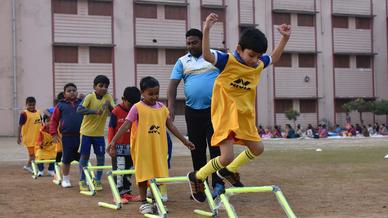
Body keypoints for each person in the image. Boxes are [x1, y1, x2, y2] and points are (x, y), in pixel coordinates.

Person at [187, 13, 291, 202]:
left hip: (244, 116)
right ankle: (198, 177)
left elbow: (274, 58)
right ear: (239, 49)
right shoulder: (228, 61)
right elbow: (208, 55)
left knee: (258, 148)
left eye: (258, 56)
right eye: (251, 55)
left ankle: (228, 171)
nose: (254, 59)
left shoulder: (257, 65)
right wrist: (207, 29)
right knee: (226, 156)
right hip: (225, 114)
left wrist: (284, 38)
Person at [109, 76, 195, 215]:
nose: (154, 96)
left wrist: (184, 141)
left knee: (158, 177)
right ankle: (144, 203)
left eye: (157, 93)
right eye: (151, 94)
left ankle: (156, 203)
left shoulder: (162, 108)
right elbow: (126, 125)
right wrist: (113, 142)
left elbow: (170, 126)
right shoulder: (137, 108)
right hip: (142, 149)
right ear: (142, 93)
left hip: (159, 149)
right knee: (143, 177)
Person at [167, 28, 225, 197]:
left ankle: (219, 184)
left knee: (216, 149)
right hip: (192, 113)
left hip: (215, 111)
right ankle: (200, 186)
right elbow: (172, 85)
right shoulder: (182, 61)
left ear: (203, 41)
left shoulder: (216, 56)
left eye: (194, 43)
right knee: (196, 149)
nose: (191, 46)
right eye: (188, 43)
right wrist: (171, 106)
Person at [77, 75, 115, 191]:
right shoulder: (89, 97)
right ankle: (82, 180)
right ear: (95, 86)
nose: (103, 88)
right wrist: (94, 112)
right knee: (85, 156)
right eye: (101, 86)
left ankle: (97, 180)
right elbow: (79, 110)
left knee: (101, 157)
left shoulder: (108, 97)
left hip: (99, 134)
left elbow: (115, 112)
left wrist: (109, 107)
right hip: (86, 133)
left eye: (106, 87)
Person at [107, 86, 141, 203]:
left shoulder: (137, 110)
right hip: (118, 148)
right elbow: (111, 129)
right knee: (119, 172)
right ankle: (117, 195)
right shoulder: (116, 111)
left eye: (135, 104)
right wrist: (112, 146)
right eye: (130, 103)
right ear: (123, 99)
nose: (132, 107)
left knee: (128, 171)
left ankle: (127, 193)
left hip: (132, 148)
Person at [50, 83, 83, 188]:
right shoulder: (60, 105)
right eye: (69, 91)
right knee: (67, 158)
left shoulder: (82, 103)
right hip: (67, 136)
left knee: (82, 157)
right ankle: (65, 179)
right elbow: (54, 120)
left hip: (81, 136)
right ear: (64, 94)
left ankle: (84, 179)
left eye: (74, 90)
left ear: (77, 92)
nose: (72, 92)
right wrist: (54, 133)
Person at [17, 96, 43, 174]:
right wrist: (19, 137)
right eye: (30, 105)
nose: (31, 107)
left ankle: (29, 166)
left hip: (38, 138)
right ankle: (30, 167)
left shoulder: (38, 112)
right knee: (32, 155)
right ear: (26, 105)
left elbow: (41, 124)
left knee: (36, 154)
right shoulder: (24, 114)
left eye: (33, 105)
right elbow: (20, 126)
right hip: (29, 138)